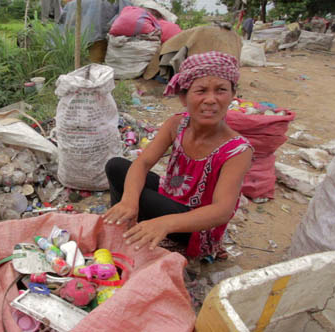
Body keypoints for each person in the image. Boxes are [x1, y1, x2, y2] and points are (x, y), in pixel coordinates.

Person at [102, 51, 253, 260]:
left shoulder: (237, 150)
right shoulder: (177, 124)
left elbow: (222, 211)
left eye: (221, 90)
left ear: (233, 95)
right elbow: (143, 162)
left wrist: (164, 223)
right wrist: (129, 201)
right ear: (184, 97)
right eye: (200, 91)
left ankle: (129, 228)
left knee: (142, 196)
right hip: (169, 198)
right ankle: (125, 222)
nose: (210, 100)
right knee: (116, 167)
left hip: (195, 227)